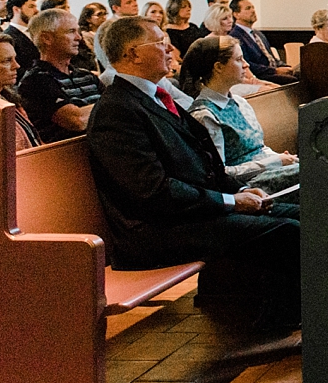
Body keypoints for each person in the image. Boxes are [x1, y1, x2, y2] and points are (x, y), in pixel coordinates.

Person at [86, 17, 300, 329]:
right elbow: (153, 191)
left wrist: (238, 190)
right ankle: (280, 321)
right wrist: (229, 201)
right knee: (288, 231)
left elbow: (205, 159)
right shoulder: (117, 111)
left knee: (303, 214)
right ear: (133, 54)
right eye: (160, 42)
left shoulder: (154, 97)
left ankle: (277, 310)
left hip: (190, 215)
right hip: (154, 231)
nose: (170, 48)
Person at [180, 36, 299, 193]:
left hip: (268, 171)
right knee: (316, 174)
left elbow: (258, 147)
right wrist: (274, 162)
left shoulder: (240, 102)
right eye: (239, 59)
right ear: (218, 67)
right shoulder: (204, 115)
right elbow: (220, 172)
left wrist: (279, 157)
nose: (246, 65)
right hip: (247, 187)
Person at [17, 7, 104, 143]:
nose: (78, 38)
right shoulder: (35, 80)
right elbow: (76, 121)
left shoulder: (86, 76)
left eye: (78, 31)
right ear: (47, 38)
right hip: (65, 157)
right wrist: (111, 105)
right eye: (71, 32)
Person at [228, 0, 298, 84]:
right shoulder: (235, 36)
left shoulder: (258, 34)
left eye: (253, 7)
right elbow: (248, 63)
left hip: (272, 71)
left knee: (300, 73)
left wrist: (286, 66)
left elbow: (271, 57)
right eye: (248, 8)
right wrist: (275, 71)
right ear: (236, 14)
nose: (253, 11)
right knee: (294, 81)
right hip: (260, 75)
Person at [1, 0, 40, 80]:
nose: (36, 10)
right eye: (31, 7)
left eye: (36, 6)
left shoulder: (37, 32)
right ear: (16, 9)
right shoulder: (8, 37)